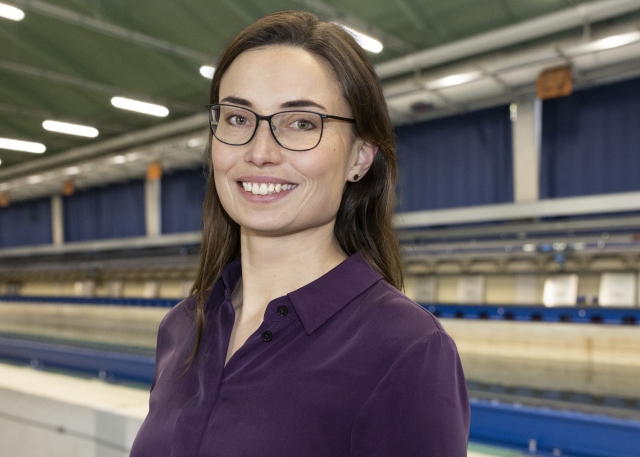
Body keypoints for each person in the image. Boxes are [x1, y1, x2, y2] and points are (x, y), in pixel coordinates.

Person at [130, 10, 469, 457]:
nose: (260, 152)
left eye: (301, 123)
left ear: (361, 158)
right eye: (237, 118)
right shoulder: (183, 327)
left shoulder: (405, 349)